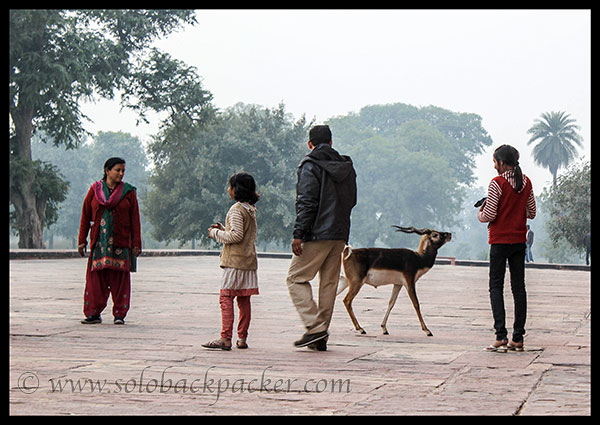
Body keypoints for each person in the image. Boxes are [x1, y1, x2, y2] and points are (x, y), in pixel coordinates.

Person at [286, 124, 357, 351]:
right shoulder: (346, 167)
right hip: (339, 233)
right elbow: (351, 201)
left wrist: (299, 234)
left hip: (317, 233)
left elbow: (306, 201)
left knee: (295, 279)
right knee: (328, 284)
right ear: (332, 142)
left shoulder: (310, 165)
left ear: (310, 144)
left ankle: (315, 328)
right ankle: (320, 336)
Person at [478, 145, 536, 352]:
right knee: (519, 289)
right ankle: (518, 337)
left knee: (496, 287)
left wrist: (481, 211)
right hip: (519, 242)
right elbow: (532, 213)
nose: (494, 166)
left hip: (499, 241)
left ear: (502, 163)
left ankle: (500, 335)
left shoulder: (497, 183)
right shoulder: (526, 182)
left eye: (495, 162)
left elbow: (489, 215)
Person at [78, 157, 142, 325]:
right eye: (117, 170)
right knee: (95, 280)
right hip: (99, 243)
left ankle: (119, 314)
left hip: (121, 243)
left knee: (120, 280)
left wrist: (136, 243)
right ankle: (93, 313)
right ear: (107, 171)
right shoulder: (94, 190)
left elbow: (135, 219)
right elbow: (85, 216)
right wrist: (81, 240)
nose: (121, 174)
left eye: (123, 171)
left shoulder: (128, 192)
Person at [202, 173, 260, 351]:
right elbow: (240, 233)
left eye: (230, 186)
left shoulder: (236, 209)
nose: (228, 190)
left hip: (235, 262)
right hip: (248, 261)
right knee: (244, 300)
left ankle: (225, 337)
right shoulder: (249, 209)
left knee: (226, 297)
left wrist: (215, 234)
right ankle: (242, 338)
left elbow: (235, 236)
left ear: (236, 189)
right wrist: (224, 229)